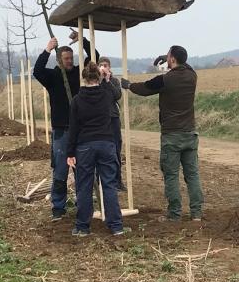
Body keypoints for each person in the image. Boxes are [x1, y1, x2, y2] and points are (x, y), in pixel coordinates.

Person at [123, 44, 203, 221]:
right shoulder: (192, 76)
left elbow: (145, 88)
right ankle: (196, 213)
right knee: (192, 175)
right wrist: (167, 58)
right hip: (190, 134)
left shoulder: (165, 80)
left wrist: (128, 85)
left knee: (171, 175)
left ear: (172, 59)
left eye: (168, 56)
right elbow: (185, 65)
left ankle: (174, 214)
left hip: (171, 135)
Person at [33, 31, 93, 219]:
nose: (69, 61)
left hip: (80, 130)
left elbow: (94, 57)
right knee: (60, 171)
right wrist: (47, 50)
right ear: (59, 60)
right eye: (66, 59)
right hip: (61, 131)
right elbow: (37, 71)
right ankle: (58, 208)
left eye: (71, 58)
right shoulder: (53, 76)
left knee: (82, 170)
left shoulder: (79, 74)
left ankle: (83, 204)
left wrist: (82, 40)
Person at [66, 62, 124, 236]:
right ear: (98, 77)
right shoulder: (106, 95)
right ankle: (116, 226)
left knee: (84, 186)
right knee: (109, 184)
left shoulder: (77, 100)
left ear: (83, 78)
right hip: (106, 143)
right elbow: (116, 94)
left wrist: (70, 152)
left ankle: (82, 227)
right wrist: (107, 78)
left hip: (84, 146)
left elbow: (73, 128)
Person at [97, 56, 125, 191]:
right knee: (99, 149)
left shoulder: (114, 81)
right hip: (99, 119)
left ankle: (118, 181)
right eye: (101, 65)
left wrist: (108, 81)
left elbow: (117, 95)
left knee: (116, 149)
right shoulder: (96, 81)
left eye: (106, 65)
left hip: (113, 118)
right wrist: (100, 79)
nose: (104, 67)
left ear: (109, 67)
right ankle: (99, 181)